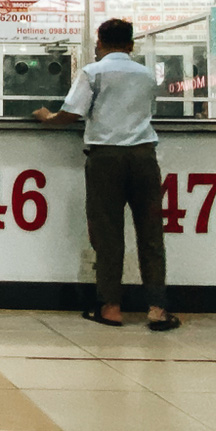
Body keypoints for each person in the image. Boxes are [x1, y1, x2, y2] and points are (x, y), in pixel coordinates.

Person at [34, 18, 178, 332]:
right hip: (144, 157)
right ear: (131, 45)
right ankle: (157, 308)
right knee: (151, 233)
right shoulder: (146, 75)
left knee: (107, 233)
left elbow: (70, 114)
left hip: (105, 158)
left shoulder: (93, 72)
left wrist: (46, 117)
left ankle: (111, 307)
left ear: (99, 43)